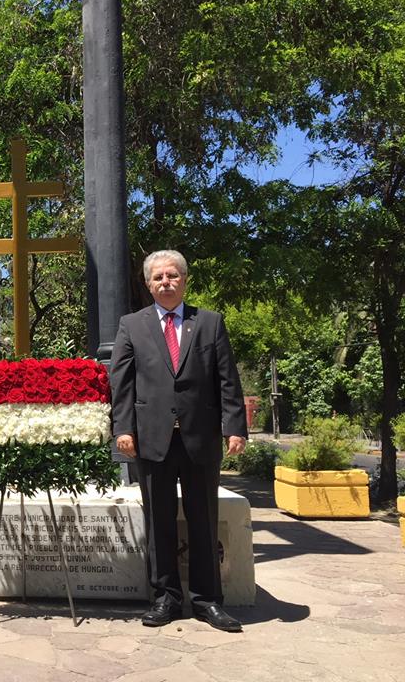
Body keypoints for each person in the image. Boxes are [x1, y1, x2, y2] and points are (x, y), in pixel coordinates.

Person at [109, 250, 247, 633]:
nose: (165, 282)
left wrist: (235, 426)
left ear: (184, 280)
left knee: (204, 520)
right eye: (158, 277)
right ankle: (165, 597)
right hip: (151, 440)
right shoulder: (132, 325)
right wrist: (123, 428)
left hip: (200, 438)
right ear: (148, 284)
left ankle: (207, 600)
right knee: (159, 522)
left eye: (172, 275)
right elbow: (122, 383)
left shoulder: (210, 322)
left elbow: (227, 379)